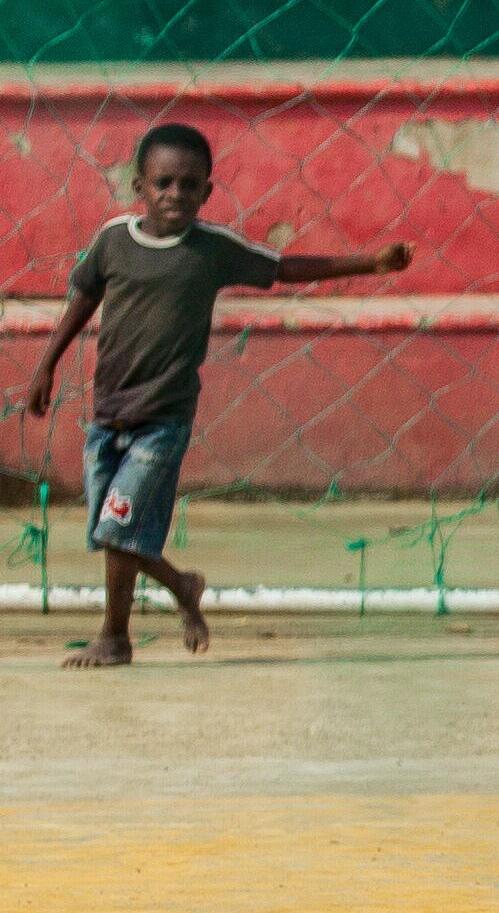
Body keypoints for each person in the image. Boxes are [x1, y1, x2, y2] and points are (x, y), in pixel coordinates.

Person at [23, 122, 411, 668]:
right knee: (110, 533)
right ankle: (181, 585)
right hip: (108, 415)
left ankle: (115, 637)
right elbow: (84, 296)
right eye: (163, 183)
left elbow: (284, 268)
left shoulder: (211, 250)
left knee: (117, 527)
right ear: (139, 187)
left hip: (163, 421)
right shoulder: (114, 240)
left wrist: (369, 263)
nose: (175, 195)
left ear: (207, 191)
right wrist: (47, 364)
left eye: (189, 185)